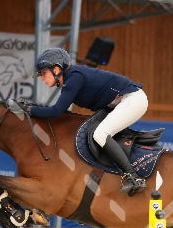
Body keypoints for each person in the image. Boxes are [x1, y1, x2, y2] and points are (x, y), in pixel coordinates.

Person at [26, 47, 147, 196]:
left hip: (133, 99)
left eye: (43, 73)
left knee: (100, 134)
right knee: (91, 131)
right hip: (118, 103)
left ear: (56, 70)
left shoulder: (74, 78)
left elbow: (56, 111)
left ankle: (133, 177)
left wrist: (29, 110)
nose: (42, 78)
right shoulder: (72, 78)